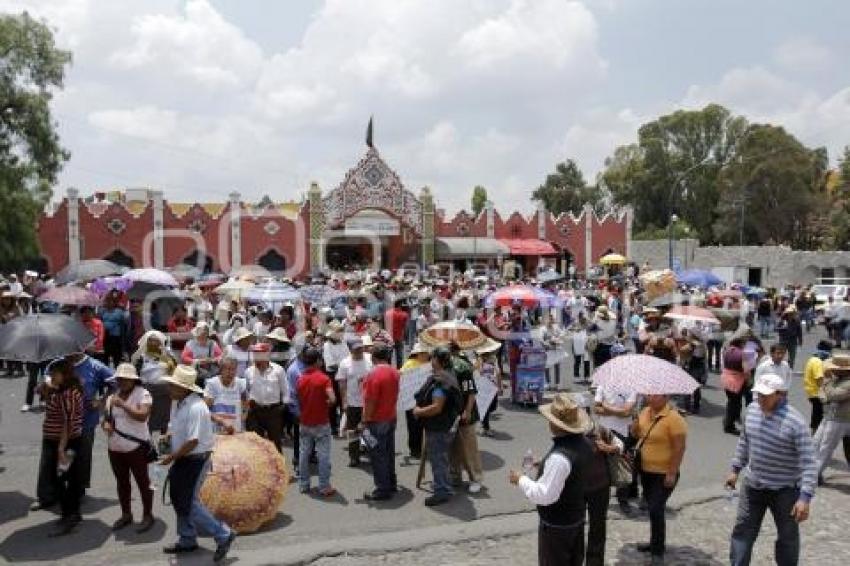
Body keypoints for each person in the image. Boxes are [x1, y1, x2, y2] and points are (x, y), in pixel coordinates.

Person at [726, 372, 817, 566]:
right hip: (753, 486)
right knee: (743, 531)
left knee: (787, 537)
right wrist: (735, 469)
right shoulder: (751, 410)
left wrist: (805, 498)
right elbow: (744, 442)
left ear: (780, 394)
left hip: (785, 490)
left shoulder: (795, 422)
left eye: (765, 395)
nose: (760, 399)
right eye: (758, 394)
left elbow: (809, 463)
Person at [160, 365, 235, 561]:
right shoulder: (178, 403)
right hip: (184, 457)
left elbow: (193, 441)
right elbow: (174, 426)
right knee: (179, 499)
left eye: (174, 386)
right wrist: (169, 436)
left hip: (195, 459)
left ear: (185, 388)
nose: (170, 389)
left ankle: (223, 534)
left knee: (189, 503)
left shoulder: (196, 407)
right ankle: (187, 538)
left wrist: (172, 456)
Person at [508, 393, 592, 566]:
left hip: (557, 526)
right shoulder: (584, 444)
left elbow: (545, 495)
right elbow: (571, 473)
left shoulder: (560, 457)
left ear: (555, 424)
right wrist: (545, 464)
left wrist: (521, 479)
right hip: (575, 517)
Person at [632, 393, 688, 564]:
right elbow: (639, 435)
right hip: (646, 471)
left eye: (654, 395)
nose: (650, 398)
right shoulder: (645, 412)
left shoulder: (674, 418)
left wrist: (672, 472)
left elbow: (679, 448)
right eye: (648, 395)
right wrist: (634, 427)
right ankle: (653, 542)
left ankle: (658, 551)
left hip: (664, 473)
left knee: (656, 508)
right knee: (651, 507)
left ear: (665, 397)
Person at [32, 359, 85, 535]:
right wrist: (47, 388)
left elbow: (67, 423)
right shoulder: (61, 391)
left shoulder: (68, 394)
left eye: (55, 373)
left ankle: (70, 516)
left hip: (65, 442)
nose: (52, 376)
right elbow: (39, 391)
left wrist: (61, 449)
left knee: (63, 479)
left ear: (65, 375)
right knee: (65, 478)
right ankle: (71, 514)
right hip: (59, 440)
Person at [102, 363, 155, 533]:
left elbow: (142, 416)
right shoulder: (112, 396)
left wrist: (123, 405)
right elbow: (106, 419)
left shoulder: (143, 394)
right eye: (120, 379)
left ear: (134, 380)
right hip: (115, 448)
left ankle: (147, 515)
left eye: (126, 379)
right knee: (122, 482)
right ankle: (126, 514)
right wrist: (105, 426)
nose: (122, 382)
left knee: (143, 482)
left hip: (136, 447)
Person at [413, 346, 462, 507]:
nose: (430, 360)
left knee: (438, 459)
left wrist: (419, 411)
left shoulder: (441, 382)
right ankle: (443, 484)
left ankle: (442, 491)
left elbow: (436, 407)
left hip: (439, 426)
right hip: (446, 425)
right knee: (442, 458)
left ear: (436, 360)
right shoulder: (447, 375)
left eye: (432, 357)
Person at [68, 351, 114, 491]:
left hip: (86, 419)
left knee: (83, 455)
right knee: (62, 454)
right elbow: (46, 379)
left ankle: (80, 488)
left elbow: (116, 382)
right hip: (62, 420)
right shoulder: (60, 363)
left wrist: (101, 401)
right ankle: (59, 488)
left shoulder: (96, 366)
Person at [361, 345, 400, 501]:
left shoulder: (373, 374)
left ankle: (383, 489)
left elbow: (370, 400)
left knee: (378, 455)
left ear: (373, 357)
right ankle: (391, 482)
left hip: (377, 419)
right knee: (388, 452)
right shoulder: (394, 371)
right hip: (390, 416)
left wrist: (364, 420)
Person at [296, 347, 336, 496]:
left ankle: (304, 484)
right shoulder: (324, 379)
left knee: (304, 453)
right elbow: (332, 398)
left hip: (305, 421)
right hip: (321, 422)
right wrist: (327, 402)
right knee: (323, 455)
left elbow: (299, 399)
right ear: (318, 361)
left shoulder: (300, 379)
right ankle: (324, 486)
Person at [583, 420, 624, 566]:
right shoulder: (567, 430)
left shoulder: (600, 429)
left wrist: (609, 448)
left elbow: (620, 445)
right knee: (575, 527)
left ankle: (594, 563)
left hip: (600, 487)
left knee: (598, 527)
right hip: (576, 488)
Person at [593, 381, 637, 515]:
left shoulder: (631, 388)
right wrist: (620, 411)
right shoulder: (602, 385)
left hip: (623, 432)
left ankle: (623, 500)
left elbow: (627, 412)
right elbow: (596, 409)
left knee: (622, 466)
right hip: (604, 430)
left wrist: (606, 406)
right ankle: (601, 499)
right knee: (601, 466)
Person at [449, 341, 484, 494]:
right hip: (451, 414)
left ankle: (476, 478)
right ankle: (455, 475)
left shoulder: (462, 366)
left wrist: (468, 411)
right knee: (453, 447)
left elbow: (470, 392)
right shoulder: (443, 366)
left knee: (469, 447)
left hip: (464, 412)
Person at [812, 354, 850, 484]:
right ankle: (810, 471)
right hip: (829, 416)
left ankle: (815, 474)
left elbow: (833, 395)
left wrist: (826, 384)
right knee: (816, 444)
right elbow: (822, 395)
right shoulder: (836, 380)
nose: (831, 370)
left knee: (826, 448)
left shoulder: (847, 383)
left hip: (841, 420)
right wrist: (826, 393)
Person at [244, 342, 288, 451]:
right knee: (256, 444)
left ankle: (278, 467)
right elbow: (246, 391)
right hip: (255, 411)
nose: (256, 357)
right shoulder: (248, 372)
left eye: (259, 354)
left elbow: (286, 391)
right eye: (255, 354)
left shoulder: (278, 370)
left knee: (275, 443)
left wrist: (283, 408)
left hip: (274, 412)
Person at [131, 330, 177, 435]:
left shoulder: (168, 356)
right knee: (148, 417)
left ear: (161, 342)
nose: (153, 343)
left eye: (156, 341)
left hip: (164, 391)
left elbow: (175, 371)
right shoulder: (141, 357)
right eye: (150, 341)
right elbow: (136, 374)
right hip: (147, 390)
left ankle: (163, 441)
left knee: (164, 416)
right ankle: (148, 441)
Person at [337, 336, 373, 466]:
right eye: (356, 349)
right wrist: (344, 401)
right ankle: (354, 456)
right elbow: (342, 383)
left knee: (369, 429)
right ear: (350, 349)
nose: (359, 351)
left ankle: (372, 452)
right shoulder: (345, 363)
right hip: (353, 401)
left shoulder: (370, 359)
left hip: (369, 402)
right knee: (352, 430)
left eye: (360, 348)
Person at [401, 342, 430, 458]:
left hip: (425, 400)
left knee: (425, 425)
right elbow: (402, 377)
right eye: (423, 353)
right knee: (413, 426)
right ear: (417, 354)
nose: (425, 355)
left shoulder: (430, 364)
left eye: (426, 353)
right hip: (411, 401)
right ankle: (414, 449)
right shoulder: (409, 364)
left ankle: (424, 447)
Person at [204, 356, 248, 434]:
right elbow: (204, 410)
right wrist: (221, 421)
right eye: (227, 369)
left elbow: (246, 402)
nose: (230, 372)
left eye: (233, 369)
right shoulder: (212, 384)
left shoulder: (241, 383)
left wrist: (244, 415)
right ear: (221, 370)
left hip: (235, 429)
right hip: (217, 430)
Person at [803, 340, 833, 433]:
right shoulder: (817, 362)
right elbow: (819, 379)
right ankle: (815, 435)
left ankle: (815, 433)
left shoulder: (812, 359)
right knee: (818, 416)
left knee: (817, 414)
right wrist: (826, 393)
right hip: (817, 393)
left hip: (811, 392)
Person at [180, 322, 222, 387]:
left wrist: (212, 360)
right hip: (195, 374)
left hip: (211, 374)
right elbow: (183, 357)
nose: (203, 333)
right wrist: (197, 361)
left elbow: (221, 356)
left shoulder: (213, 343)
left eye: (205, 331)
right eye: (201, 331)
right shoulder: (191, 344)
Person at [385, 298, 410, 368]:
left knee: (389, 356)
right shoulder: (404, 314)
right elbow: (406, 328)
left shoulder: (387, 313)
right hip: (399, 337)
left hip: (389, 337)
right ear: (400, 305)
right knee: (399, 356)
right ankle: (399, 370)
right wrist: (406, 337)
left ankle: (388, 369)